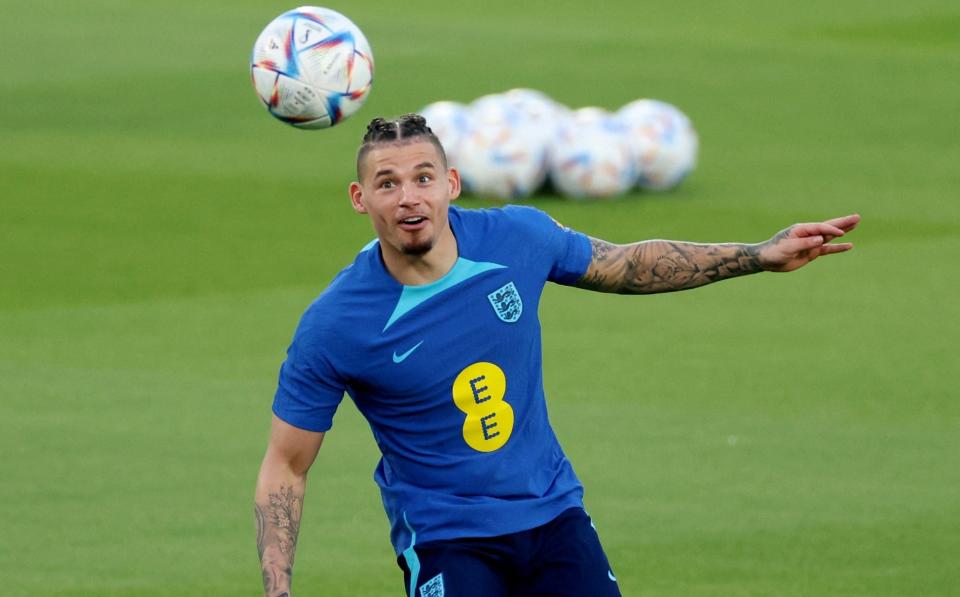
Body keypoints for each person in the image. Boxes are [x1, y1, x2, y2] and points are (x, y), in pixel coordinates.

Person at [254, 114, 860, 596]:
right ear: (361, 198)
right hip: (448, 539)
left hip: (552, 515)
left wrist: (757, 254)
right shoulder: (337, 324)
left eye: (422, 177)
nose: (408, 197)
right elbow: (286, 466)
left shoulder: (518, 237)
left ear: (452, 184)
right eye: (388, 184)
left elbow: (627, 264)